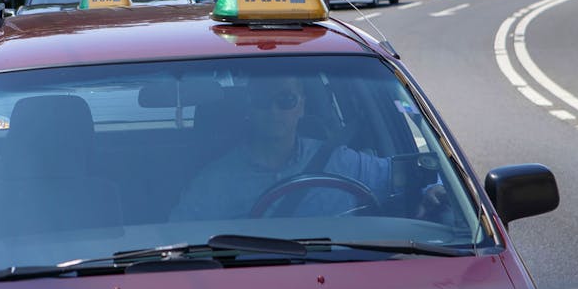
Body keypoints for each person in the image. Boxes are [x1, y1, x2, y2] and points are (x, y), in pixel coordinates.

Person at [170, 73, 445, 221]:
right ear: (250, 108)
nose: (274, 110)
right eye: (263, 101)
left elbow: (417, 176)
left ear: (301, 105)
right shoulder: (214, 182)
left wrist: (432, 190)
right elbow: (179, 241)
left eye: (286, 100)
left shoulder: (342, 162)